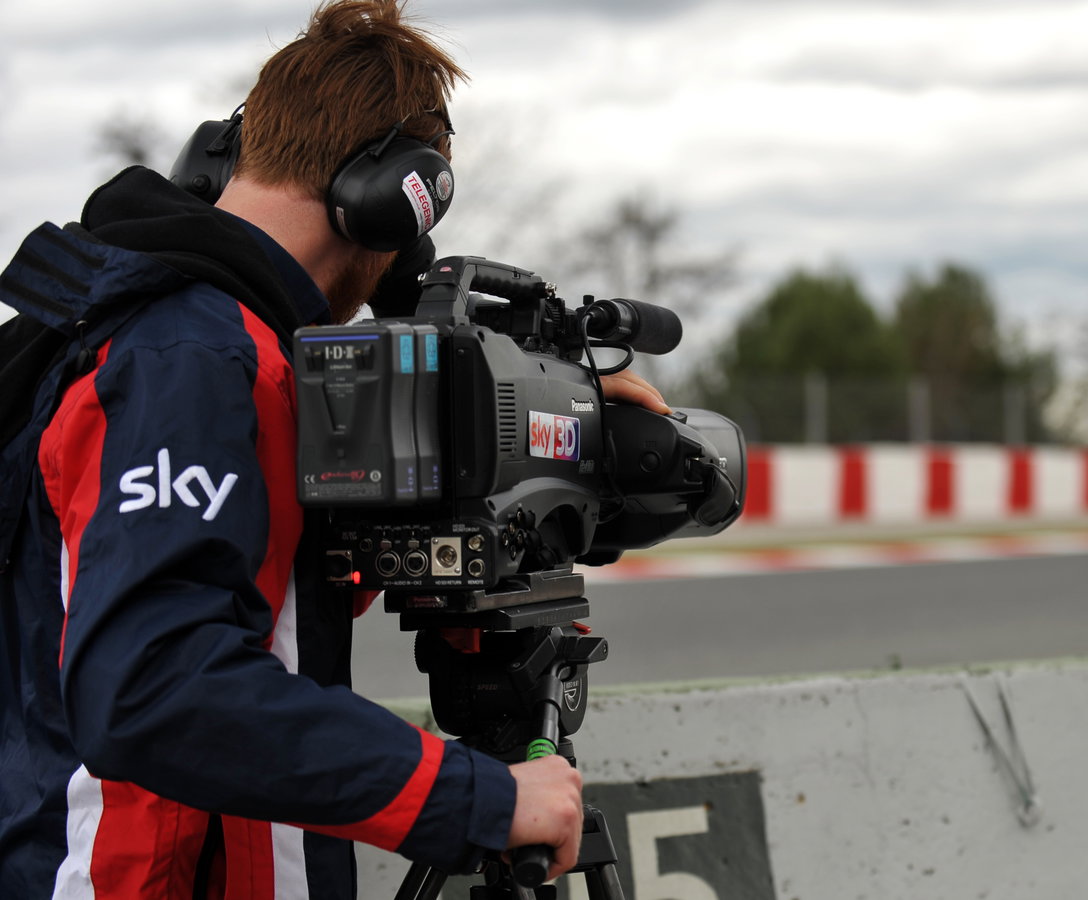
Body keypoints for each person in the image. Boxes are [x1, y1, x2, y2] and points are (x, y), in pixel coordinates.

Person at [0, 1, 667, 896]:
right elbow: (155, 686)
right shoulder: (192, 358)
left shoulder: (228, 344)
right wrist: (480, 800)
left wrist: (563, 410)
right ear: (389, 197)